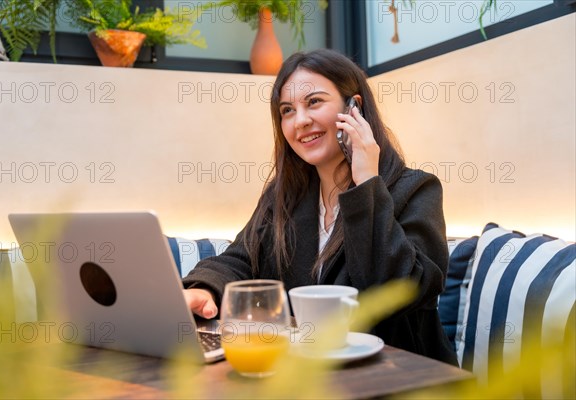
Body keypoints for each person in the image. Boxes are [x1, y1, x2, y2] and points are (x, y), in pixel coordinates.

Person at [182, 48, 457, 365]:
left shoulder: (416, 189)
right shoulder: (284, 196)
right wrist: (203, 289)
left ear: (354, 108)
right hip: (308, 377)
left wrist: (367, 182)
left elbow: (399, 292)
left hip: (398, 375)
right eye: (287, 110)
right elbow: (240, 258)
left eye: (314, 102)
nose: (300, 121)